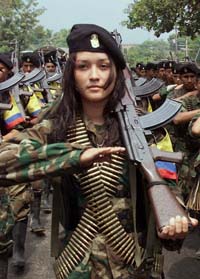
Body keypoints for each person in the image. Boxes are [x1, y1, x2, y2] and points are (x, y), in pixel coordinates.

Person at [0, 24, 197, 279]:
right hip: (78, 262)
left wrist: (175, 220)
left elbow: (167, 181)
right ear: (72, 74)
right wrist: (73, 157)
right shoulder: (57, 125)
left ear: (116, 73)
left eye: (103, 66)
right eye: (83, 66)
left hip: (134, 263)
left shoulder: (147, 127)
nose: (94, 75)